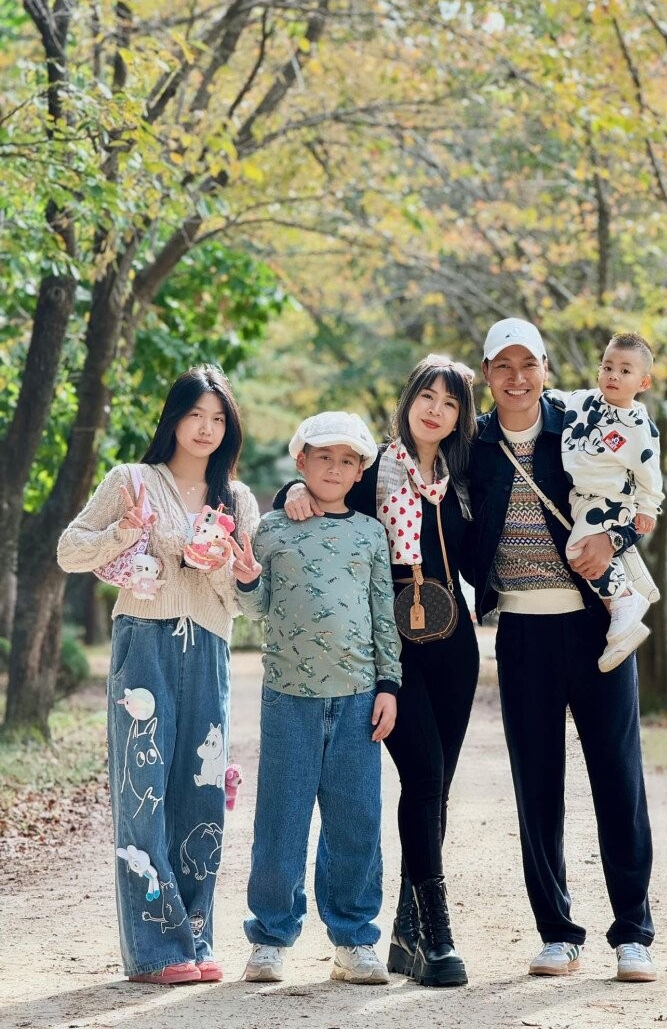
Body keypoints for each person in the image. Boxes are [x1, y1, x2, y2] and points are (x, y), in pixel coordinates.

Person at [279, 356, 479, 988]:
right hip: (391, 649)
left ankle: (406, 934)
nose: (436, 410)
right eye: (427, 396)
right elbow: (321, 490)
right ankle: (438, 936)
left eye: (450, 402)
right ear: (408, 400)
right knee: (422, 776)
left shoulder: (461, 478)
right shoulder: (373, 471)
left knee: (437, 788)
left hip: (455, 645)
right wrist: (293, 495)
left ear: (460, 416)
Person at [467, 318, 656, 984]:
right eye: (503, 366)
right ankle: (557, 933)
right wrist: (298, 491)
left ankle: (633, 933)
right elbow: (397, 468)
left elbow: (637, 478)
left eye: (529, 364)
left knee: (618, 778)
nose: (517, 377)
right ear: (487, 374)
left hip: (597, 622)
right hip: (523, 632)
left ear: (546, 368)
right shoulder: (473, 443)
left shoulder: (580, 420)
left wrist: (616, 540)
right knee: (537, 785)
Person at [57, 365, 260, 985]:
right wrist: (123, 533)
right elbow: (69, 549)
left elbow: (248, 603)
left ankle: (197, 938)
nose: (206, 428)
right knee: (142, 793)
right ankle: (155, 950)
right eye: (195, 414)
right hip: (143, 647)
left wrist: (229, 566)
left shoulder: (238, 500)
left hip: (209, 649)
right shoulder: (132, 481)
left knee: (201, 795)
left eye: (218, 418)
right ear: (173, 418)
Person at [231, 411, 402, 986]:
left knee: (356, 820)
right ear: (301, 461)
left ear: (360, 471)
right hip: (288, 697)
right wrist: (247, 578)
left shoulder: (370, 533)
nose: (334, 468)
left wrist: (389, 685)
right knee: (281, 819)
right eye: (323, 457)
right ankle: (270, 937)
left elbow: (383, 615)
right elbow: (255, 608)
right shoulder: (272, 529)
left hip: (358, 697)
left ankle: (353, 940)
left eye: (347, 460)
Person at [551, 332, 664, 672]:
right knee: (583, 548)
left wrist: (648, 507)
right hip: (582, 497)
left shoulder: (638, 427)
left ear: (643, 382)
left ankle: (624, 601)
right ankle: (631, 582)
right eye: (608, 367)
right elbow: (557, 399)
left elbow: (649, 472)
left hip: (612, 499)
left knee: (577, 551)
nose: (613, 375)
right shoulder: (584, 401)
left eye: (625, 371)